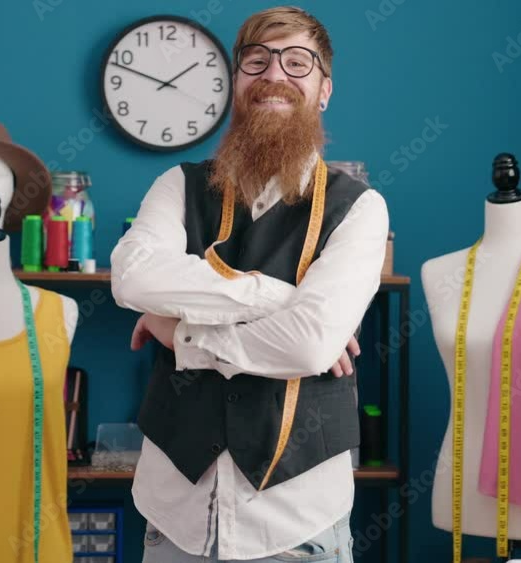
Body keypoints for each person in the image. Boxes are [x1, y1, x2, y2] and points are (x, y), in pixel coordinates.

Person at [110, 6, 389, 563]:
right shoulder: (178, 185)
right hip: (175, 513)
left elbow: (310, 343)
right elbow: (133, 276)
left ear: (324, 89)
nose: (274, 75)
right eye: (256, 61)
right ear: (237, 84)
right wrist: (277, 297)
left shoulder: (359, 207)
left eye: (296, 62)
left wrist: (183, 334)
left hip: (296, 520)